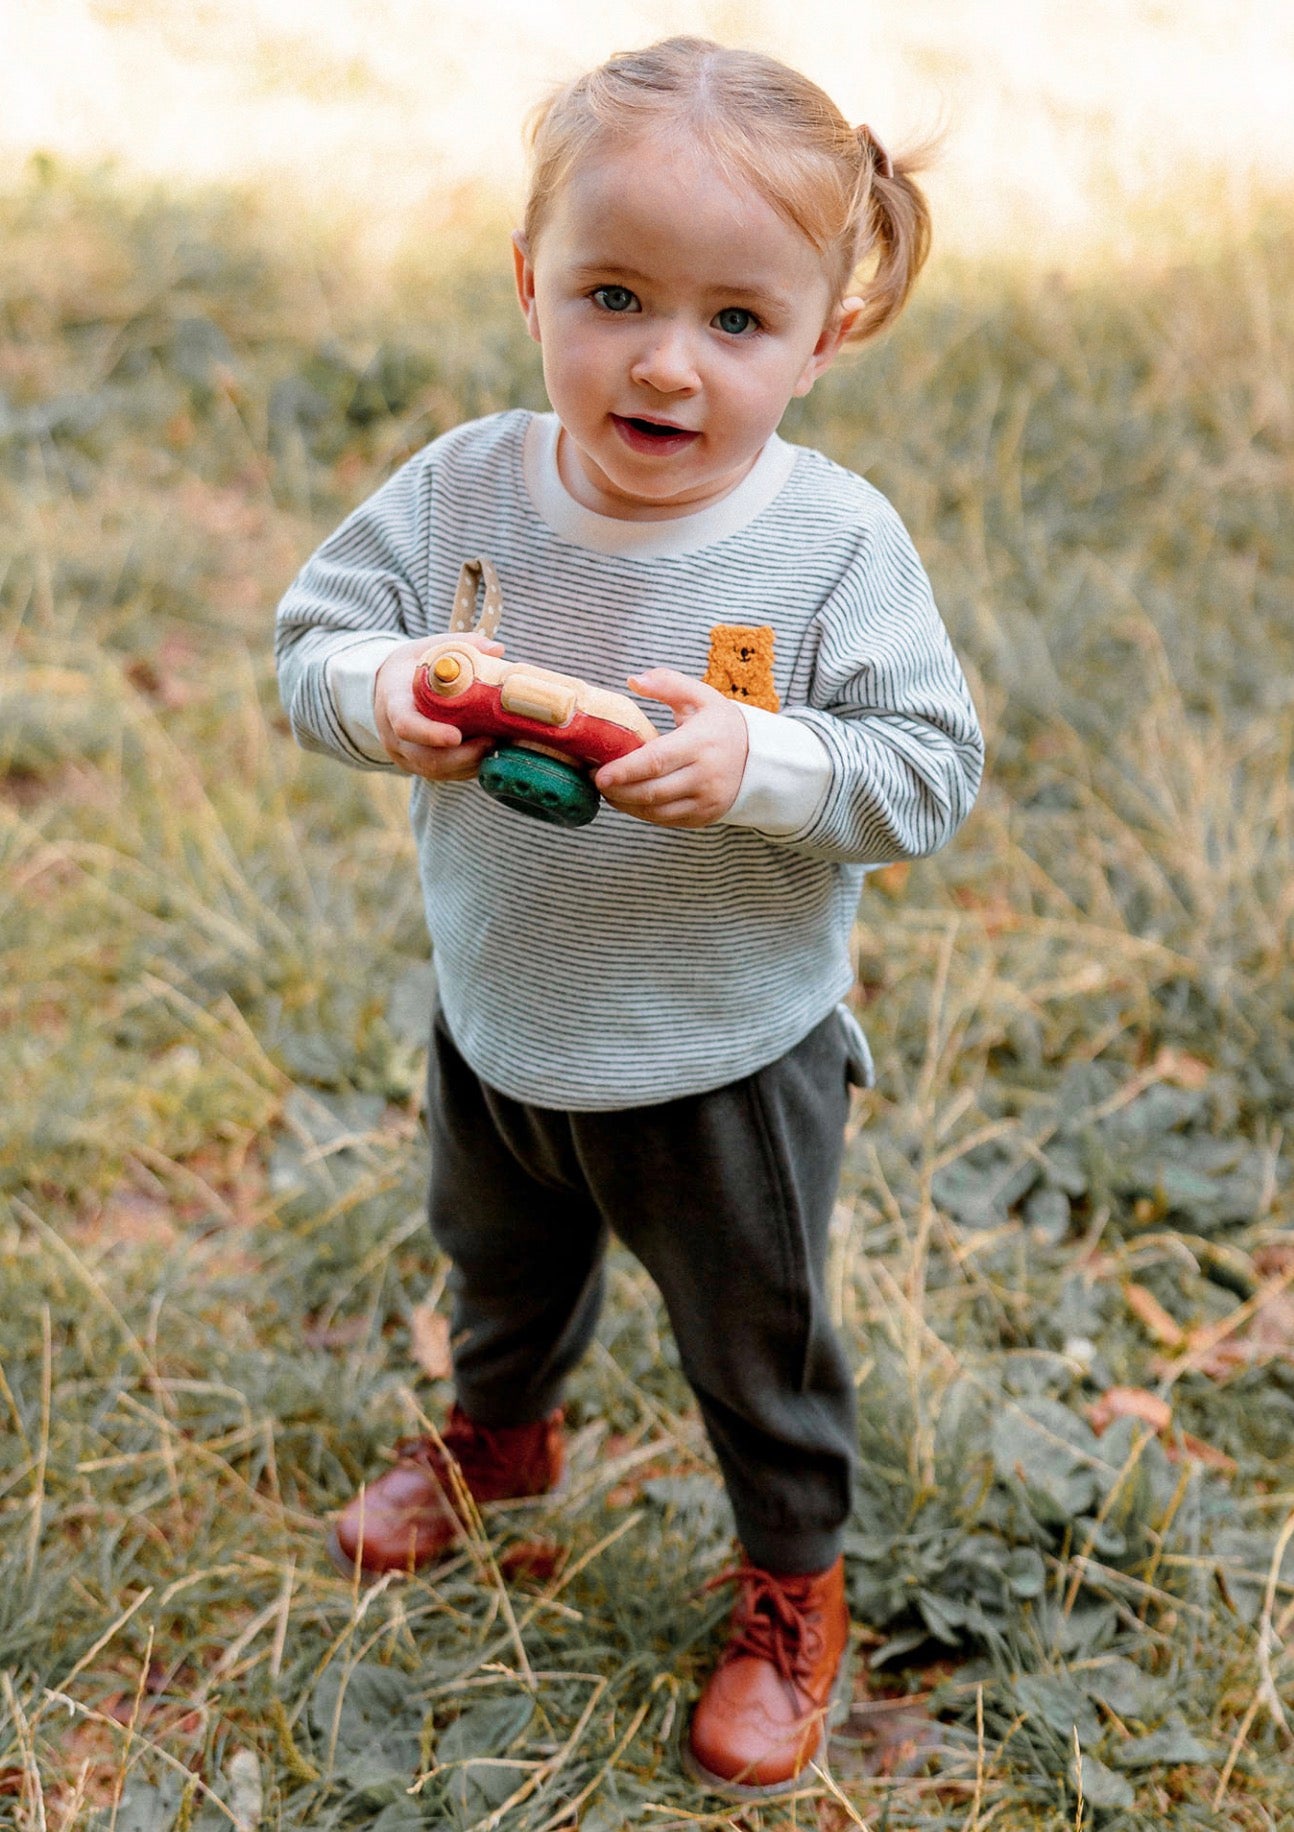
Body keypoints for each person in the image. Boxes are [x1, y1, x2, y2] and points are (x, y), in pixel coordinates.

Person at [275, 35, 983, 1799]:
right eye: (612, 294)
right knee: (495, 1268)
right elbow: (311, 646)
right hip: (501, 1017)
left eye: (737, 321)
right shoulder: (458, 490)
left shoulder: (828, 548)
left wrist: (760, 761)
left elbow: (927, 773)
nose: (665, 361)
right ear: (530, 287)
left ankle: (788, 1580)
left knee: (757, 1345)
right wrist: (387, 693)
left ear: (823, 338)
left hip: (722, 1058)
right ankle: (500, 1440)